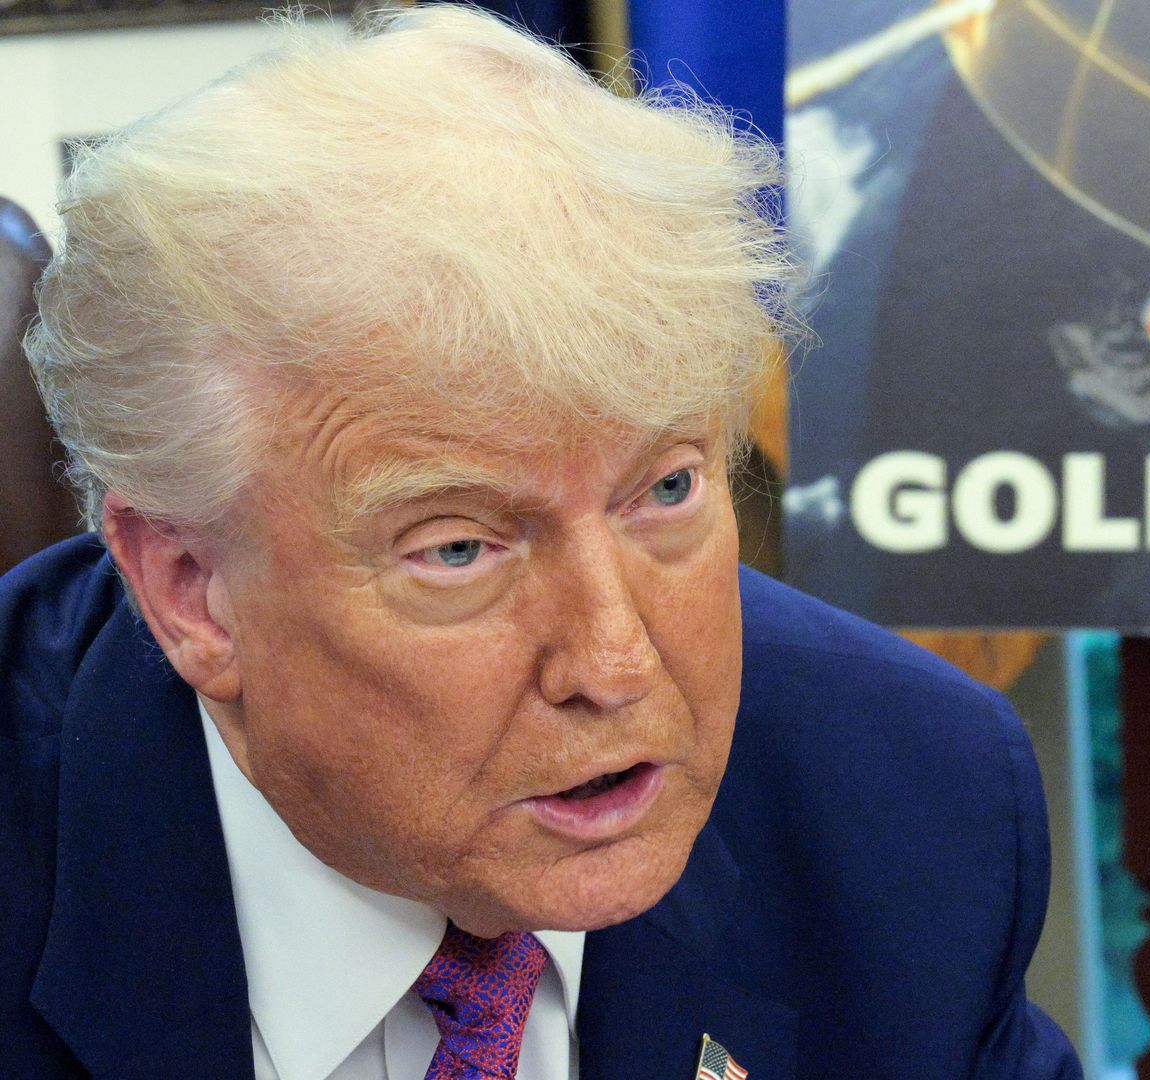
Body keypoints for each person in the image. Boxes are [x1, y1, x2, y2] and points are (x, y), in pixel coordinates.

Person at [0, 7, 1083, 1078]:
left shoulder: (911, 804)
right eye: (460, 549)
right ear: (192, 592)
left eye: (664, 489)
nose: (616, 666)